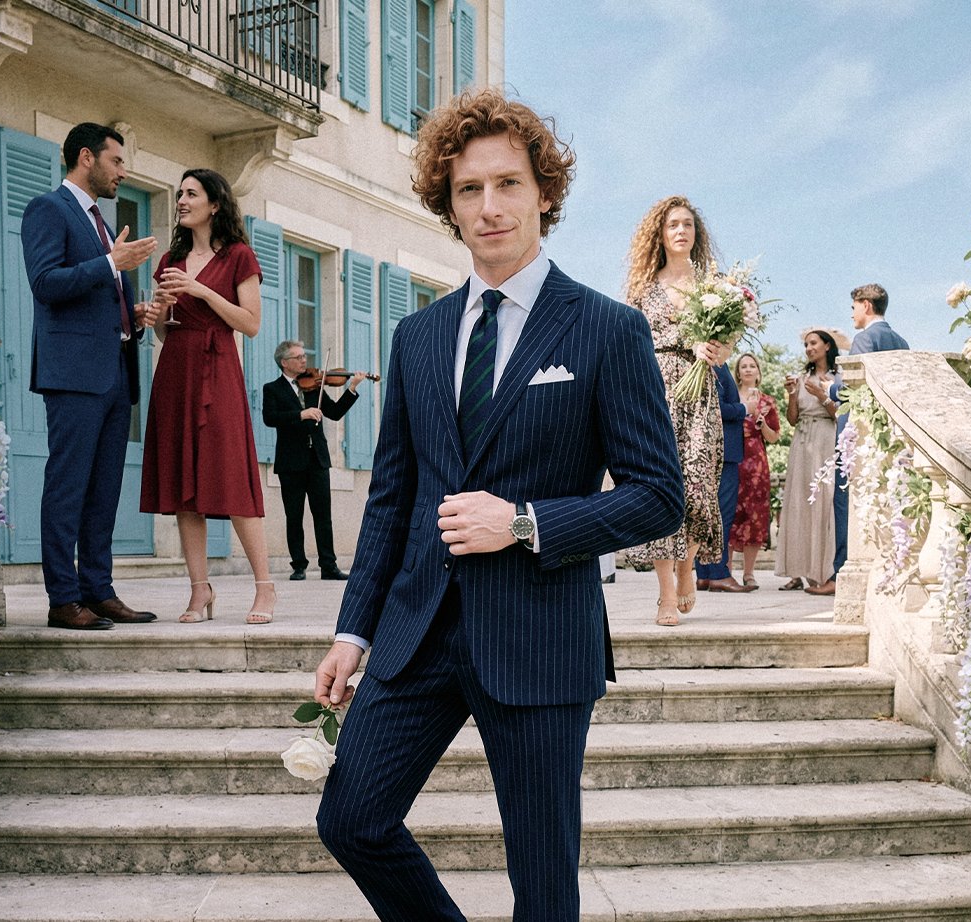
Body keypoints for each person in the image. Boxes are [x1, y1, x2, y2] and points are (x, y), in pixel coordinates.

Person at [312, 87, 682, 922]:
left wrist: (523, 523)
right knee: (353, 820)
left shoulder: (606, 328)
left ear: (544, 192)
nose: (490, 207)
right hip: (419, 635)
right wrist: (352, 629)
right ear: (449, 205)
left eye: (508, 184)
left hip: (541, 638)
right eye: (469, 190)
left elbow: (659, 497)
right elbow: (393, 499)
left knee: (543, 885)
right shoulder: (419, 336)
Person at [22, 122, 162, 631]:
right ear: (87, 157)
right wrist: (111, 263)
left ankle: (98, 591)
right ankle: (63, 598)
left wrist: (134, 318)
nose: (123, 172)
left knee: (104, 491)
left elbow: (99, 296)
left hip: (114, 372)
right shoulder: (48, 209)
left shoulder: (104, 222)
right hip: (73, 375)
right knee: (67, 488)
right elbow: (45, 284)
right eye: (117, 162)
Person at [140, 168, 279, 624]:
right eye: (179, 193)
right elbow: (163, 332)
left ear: (214, 204)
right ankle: (199, 591)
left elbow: (251, 323)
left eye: (191, 193)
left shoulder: (239, 256)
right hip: (176, 370)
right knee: (183, 487)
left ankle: (264, 588)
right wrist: (155, 314)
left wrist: (200, 290)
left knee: (232, 479)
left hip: (218, 370)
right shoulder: (169, 259)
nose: (181, 200)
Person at [618, 195, 733, 626]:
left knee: (699, 487)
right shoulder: (643, 290)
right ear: (660, 235)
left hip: (701, 392)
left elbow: (726, 347)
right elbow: (628, 345)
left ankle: (688, 567)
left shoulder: (714, 287)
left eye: (687, 224)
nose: (681, 230)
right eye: (672, 225)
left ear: (696, 233)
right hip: (655, 389)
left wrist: (716, 349)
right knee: (662, 486)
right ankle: (666, 592)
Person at [828, 283, 910, 587]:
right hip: (889, 437)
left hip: (858, 436)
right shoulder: (901, 341)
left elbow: (854, 388)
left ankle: (841, 571)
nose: (851, 315)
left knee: (845, 501)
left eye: (853, 308)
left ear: (865, 305)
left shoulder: (864, 339)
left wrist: (829, 389)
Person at [262, 340, 364, 581]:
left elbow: (336, 412)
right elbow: (270, 418)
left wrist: (352, 388)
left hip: (317, 458)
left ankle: (329, 566)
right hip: (290, 462)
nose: (304, 360)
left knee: (323, 515)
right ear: (285, 362)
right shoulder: (272, 389)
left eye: (304, 356)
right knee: (294, 515)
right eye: (298, 357)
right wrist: (301, 414)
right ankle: (299, 565)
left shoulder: (314, 387)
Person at [777, 329, 845, 593]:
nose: (808, 348)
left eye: (813, 343)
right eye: (806, 344)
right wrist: (794, 394)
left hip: (827, 441)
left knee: (824, 503)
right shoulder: (802, 378)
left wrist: (821, 394)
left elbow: (841, 414)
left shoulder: (838, 378)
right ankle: (799, 569)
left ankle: (824, 571)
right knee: (799, 504)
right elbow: (792, 419)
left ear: (827, 346)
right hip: (802, 443)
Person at [695, 362, 753, 593]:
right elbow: (715, 407)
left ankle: (704, 574)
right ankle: (719, 573)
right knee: (721, 513)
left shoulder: (716, 365)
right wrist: (744, 408)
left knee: (709, 512)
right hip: (723, 451)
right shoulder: (715, 366)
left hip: (714, 451)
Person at [728, 353, 782, 587]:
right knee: (729, 513)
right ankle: (726, 570)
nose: (748, 370)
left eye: (752, 366)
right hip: (732, 458)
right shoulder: (730, 397)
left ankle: (749, 573)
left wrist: (763, 424)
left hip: (756, 462)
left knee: (755, 515)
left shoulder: (768, 402)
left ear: (758, 372)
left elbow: (774, 437)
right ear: (738, 372)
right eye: (743, 366)